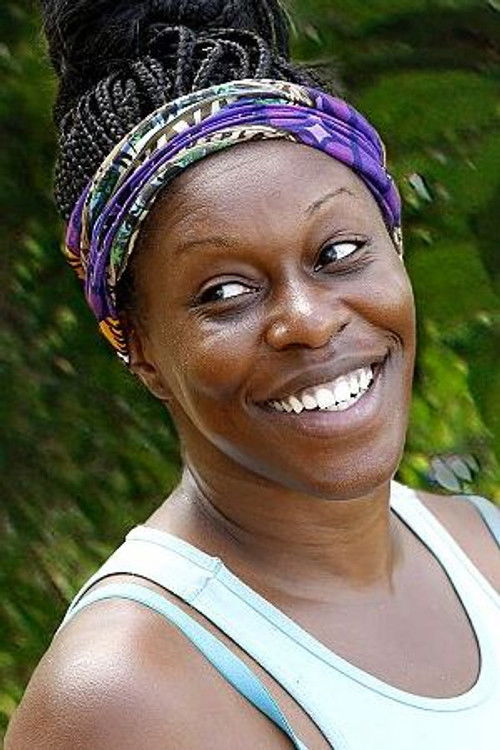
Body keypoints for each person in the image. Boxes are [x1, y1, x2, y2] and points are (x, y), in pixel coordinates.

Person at [6, 1, 500, 748]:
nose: (309, 320)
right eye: (225, 292)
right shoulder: (126, 695)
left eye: (338, 254)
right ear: (139, 346)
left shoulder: (485, 547)